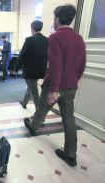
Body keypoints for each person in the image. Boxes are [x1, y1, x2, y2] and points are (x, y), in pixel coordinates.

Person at [24, 4, 86, 167]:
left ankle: (33, 127)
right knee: (69, 118)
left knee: (42, 108)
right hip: (71, 86)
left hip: (56, 86)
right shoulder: (79, 38)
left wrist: (55, 89)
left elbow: (55, 65)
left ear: (57, 19)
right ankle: (71, 154)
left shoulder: (56, 37)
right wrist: (74, 80)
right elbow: (82, 65)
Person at [18, 20, 48, 110]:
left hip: (30, 71)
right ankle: (24, 103)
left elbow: (22, 54)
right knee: (31, 87)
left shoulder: (29, 39)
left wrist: (16, 67)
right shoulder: (47, 40)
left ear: (32, 28)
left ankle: (39, 116)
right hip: (40, 70)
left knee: (34, 92)